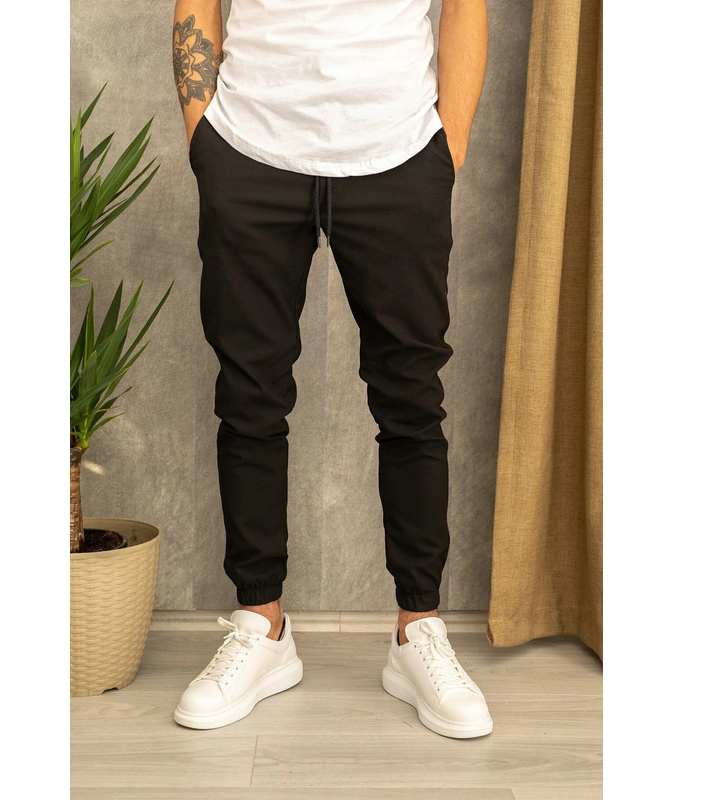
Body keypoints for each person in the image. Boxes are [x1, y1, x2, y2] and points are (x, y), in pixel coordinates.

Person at [172, 0, 490, 738]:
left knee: (412, 398)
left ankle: (418, 630)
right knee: (248, 396)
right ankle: (262, 623)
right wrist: (204, 138)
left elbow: (465, 8)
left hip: (400, 148)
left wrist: (447, 148)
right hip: (247, 147)